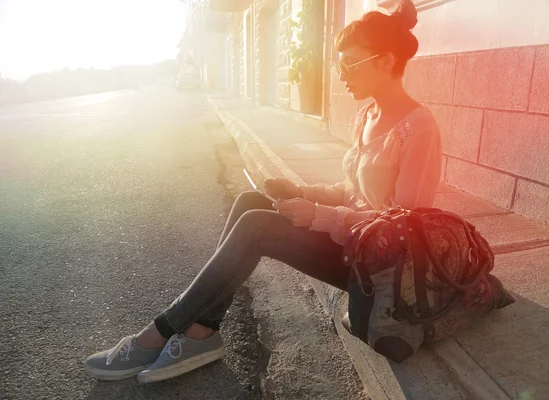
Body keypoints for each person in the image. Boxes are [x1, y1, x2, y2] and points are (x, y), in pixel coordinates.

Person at [84, 0, 442, 383]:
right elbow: (351, 191)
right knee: (250, 200)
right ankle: (201, 331)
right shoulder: (367, 117)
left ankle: (156, 333)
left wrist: (319, 216)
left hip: (378, 263)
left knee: (258, 226)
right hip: (351, 241)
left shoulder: (419, 126)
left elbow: (407, 225)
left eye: (348, 63)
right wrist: (301, 191)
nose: (340, 74)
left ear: (385, 61)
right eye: (338, 64)